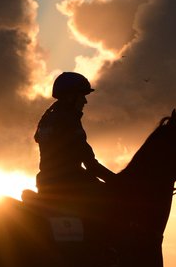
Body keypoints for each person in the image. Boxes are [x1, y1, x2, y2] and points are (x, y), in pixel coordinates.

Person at [34, 72, 115, 217]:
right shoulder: (69, 121)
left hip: (45, 183)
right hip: (71, 185)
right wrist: (119, 182)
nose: (85, 101)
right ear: (71, 97)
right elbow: (91, 165)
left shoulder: (47, 119)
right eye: (82, 96)